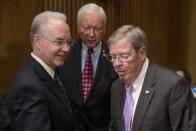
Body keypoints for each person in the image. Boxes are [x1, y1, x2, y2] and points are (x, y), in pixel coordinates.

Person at [108, 25, 196, 131]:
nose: (117, 63)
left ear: (142, 53)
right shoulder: (116, 87)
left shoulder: (173, 85)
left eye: (124, 56)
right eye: (113, 57)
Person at [7, 11, 76, 131]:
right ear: (38, 42)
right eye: (59, 42)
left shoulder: (54, 70)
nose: (66, 49)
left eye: (68, 42)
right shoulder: (29, 88)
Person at [59, 3, 118, 131]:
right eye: (87, 28)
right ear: (78, 27)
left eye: (97, 28)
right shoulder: (64, 52)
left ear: (104, 29)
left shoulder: (115, 56)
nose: (92, 34)